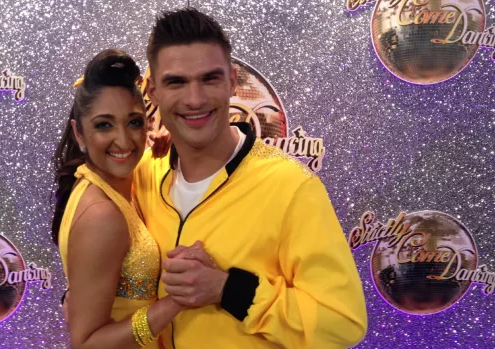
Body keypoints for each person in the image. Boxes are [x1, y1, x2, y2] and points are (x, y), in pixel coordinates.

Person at [130, 7, 368, 349]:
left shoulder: (291, 186)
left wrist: (227, 289)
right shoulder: (145, 175)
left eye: (209, 79)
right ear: (152, 91)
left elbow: (343, 322)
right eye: (176, 82)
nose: (195, 99)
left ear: (231, 82)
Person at [52, 48, 186, 349]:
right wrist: (175, 303)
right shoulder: (102, 214)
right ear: (80, 134)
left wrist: (177, 139)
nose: (124, 140)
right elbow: (87, 342)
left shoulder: (104, 181)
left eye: (134, 122)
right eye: (104, 125)